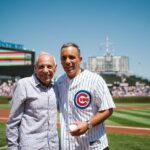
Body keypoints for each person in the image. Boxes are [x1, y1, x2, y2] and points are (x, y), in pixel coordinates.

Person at [56, 43, 115, 150]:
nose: (67, 61)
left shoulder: (95, 80)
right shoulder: (59, 82)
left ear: (80, 59)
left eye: (72, 57)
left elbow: (108, 109)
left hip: (93, 146)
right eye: (64, 58)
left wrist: (88, 125)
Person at [6, 52, 59, 150]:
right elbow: (13, 122)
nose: (45, 70)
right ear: (35, 68)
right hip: (31, 146)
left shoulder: (57, 87)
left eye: (49, 66)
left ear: (55, 68)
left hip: (53, 146)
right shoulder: (24, 84)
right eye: (41, 66)